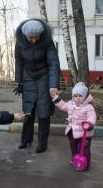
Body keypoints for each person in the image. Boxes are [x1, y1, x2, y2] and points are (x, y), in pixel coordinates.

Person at [14, 19, 60, 153]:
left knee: (43, 111)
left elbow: (53, 63)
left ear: (41, 34)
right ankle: (26, 140)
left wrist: (53, 85)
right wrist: (19, 80)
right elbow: (18, 61)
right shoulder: (20, 42)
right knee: (28, 109)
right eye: (30, 38)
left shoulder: (47, 42)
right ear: (25, 36)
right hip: (28, 77)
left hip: (44, 77)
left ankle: (42, 143)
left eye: (36, 37)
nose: (33, 40)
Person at [52, 82, 97, 170]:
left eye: (80, 96)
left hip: (84, 133)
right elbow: (63, 106)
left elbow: (92, 116)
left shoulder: (88, 107)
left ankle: (85, 164)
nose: (78, 98)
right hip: (72, 131)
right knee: (74, 146)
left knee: (84, 149)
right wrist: (57, 99)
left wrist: (89, 123)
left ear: (85, 97)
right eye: (75, 96)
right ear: (73, 97)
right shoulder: (70, 104)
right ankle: (75, 158)